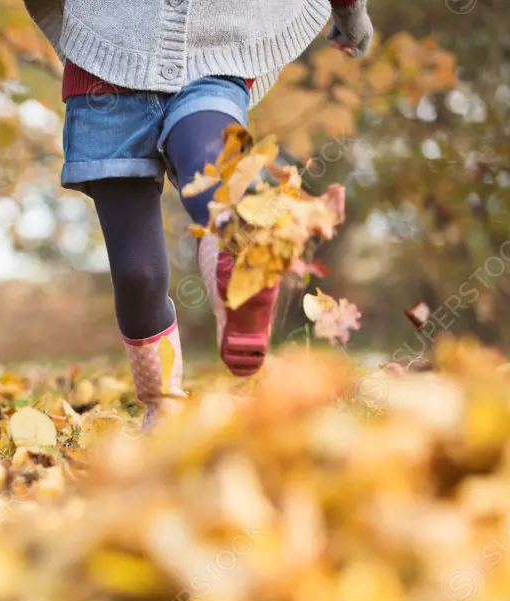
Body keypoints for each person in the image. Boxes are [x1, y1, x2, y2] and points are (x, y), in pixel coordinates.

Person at [23, 0, 372, 430]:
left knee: (213, 171)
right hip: (105, 70)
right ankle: (162, 404)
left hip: (215, 55)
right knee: (138, 276)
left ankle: (240, 255)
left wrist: (350, 12)